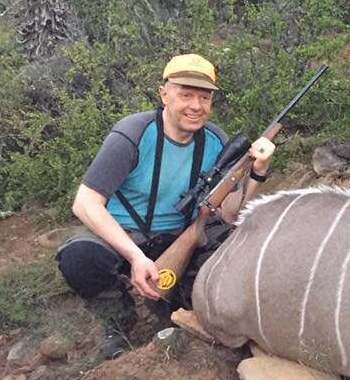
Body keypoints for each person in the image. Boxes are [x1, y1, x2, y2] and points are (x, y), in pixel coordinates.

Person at [56, 54, 275, 358]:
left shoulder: (217, 141)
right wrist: (135, 257)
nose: (196, 106)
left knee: (231, 251)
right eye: (186, 94)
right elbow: (85, 203)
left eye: (204, 97)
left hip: (178, 233)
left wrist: (258, 171)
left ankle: (176, 304)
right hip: (124, 235)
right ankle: (118, 322)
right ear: (164, 94)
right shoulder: (131, 134)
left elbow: (230, 212)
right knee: (80, 257)